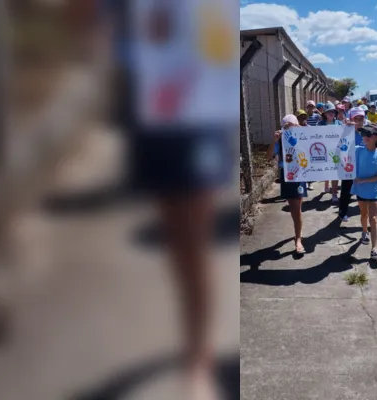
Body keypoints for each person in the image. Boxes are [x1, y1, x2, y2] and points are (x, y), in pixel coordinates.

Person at [70, 1, 233, 398]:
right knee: (179, 241)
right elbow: (84, 22)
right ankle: (194, 349)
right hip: (149, 103)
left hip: (197, 102)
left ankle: (198, 358)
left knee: (194, 241)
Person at [270, 114, 307, 254]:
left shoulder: (302, 137)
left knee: (297, 208)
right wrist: (274, 141)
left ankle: (298, 236)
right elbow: (269, 157)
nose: (289, 127)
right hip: (287, 175)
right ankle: (298, 236)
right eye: (286, 126)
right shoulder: (280, 141)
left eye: (293, 125)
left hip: (300, 174)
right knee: (295, 209)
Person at [351, 123, 377, 261]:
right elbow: (341, 148)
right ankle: (364, 232)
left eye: (367, 134)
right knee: (363, 214)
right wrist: (345, 128)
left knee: (374, 219)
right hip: (360, 191)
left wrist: (363, 180)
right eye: (363, 134)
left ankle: (374, 248)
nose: (364, 137)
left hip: (373, 192)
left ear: (376, 137)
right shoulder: (358, 150)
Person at [338, 107, 366, 222]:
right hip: (348, 167)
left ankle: (367, 215)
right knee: (346, 191)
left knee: (364, 191)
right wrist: (345, 126)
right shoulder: (346, 130)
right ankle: (342, 212)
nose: (359, 121)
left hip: (363, 166)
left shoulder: (367, 131)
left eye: (361, 119)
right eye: (356, 119)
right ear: (351, 119)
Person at [319, 102, 343, 202]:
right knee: (327, 172)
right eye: (328, 112)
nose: (331, 113)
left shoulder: (339, 124)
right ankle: (326, 184)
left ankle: (334, 194)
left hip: (336, 152)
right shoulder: (319, 125)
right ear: (324, 113)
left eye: (333, 111)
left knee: (335, 174)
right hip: (324, 152)